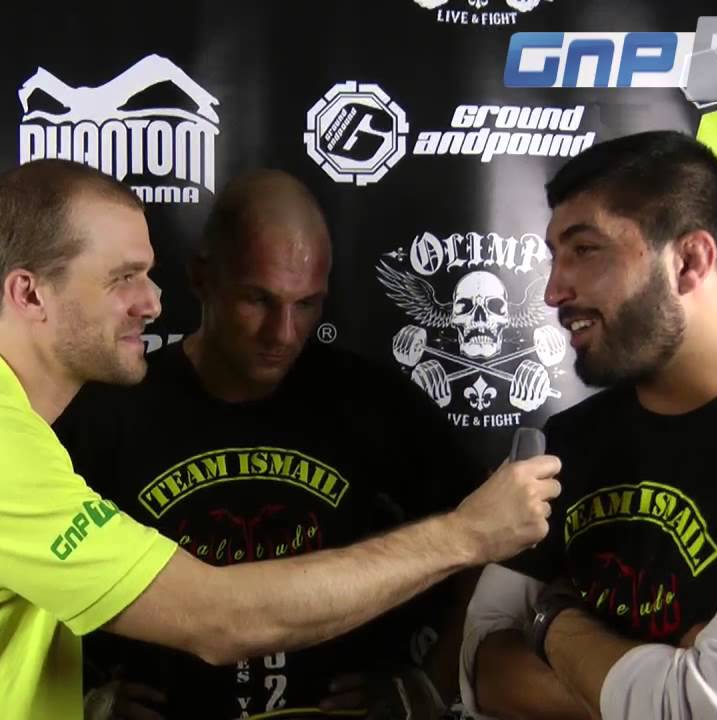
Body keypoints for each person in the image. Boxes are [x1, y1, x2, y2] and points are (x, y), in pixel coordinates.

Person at [0, 158, 561, 719]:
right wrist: (465, 534)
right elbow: (221, 618)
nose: (152, 300)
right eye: (123, 278)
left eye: (149, 274)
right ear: (29, 293)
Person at [458, 130, 717, 719]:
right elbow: (483, 666)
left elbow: (712, 710)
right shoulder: (568, 441)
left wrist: (551, 623)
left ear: (690, 261)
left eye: (586, 249)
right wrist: (654, 682)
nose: (552, 290)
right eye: (553, 256)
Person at [54, 169, 484, 719]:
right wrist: (83, 698)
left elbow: (485, 539)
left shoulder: (369, 403)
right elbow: (30, 577)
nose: (282, 334)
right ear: (202, 277)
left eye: (306, 304)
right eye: (259, 299)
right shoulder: (110, 412)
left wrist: (429, 684)